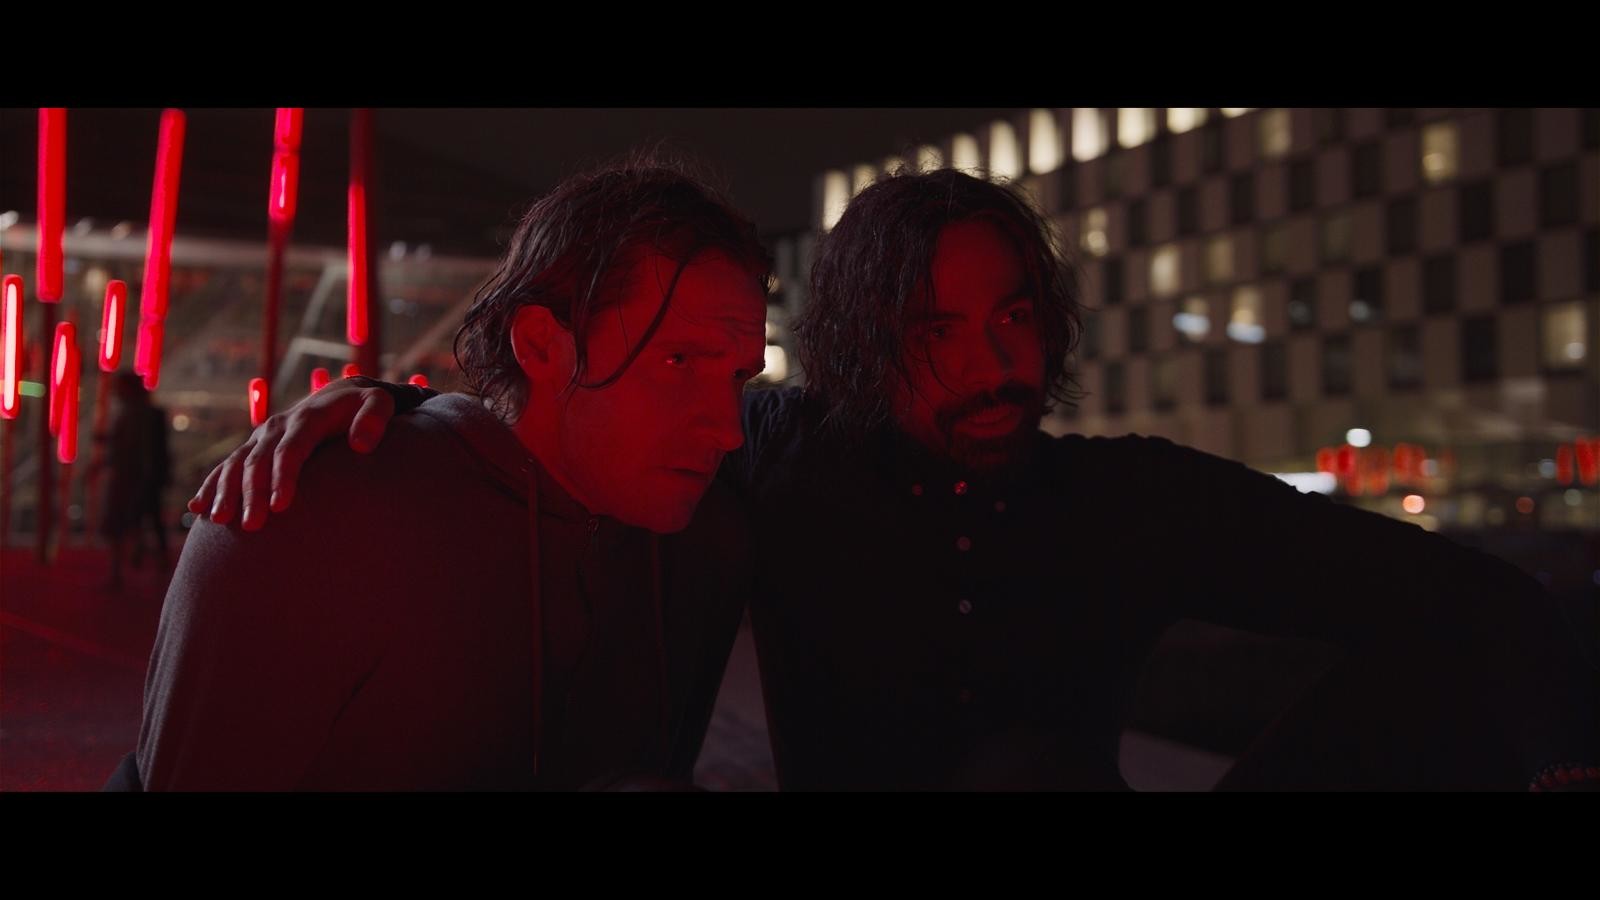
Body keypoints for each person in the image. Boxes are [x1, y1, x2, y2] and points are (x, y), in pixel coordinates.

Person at [194, 169, 1599, 791]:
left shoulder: (1133, 500)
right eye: (936, 332)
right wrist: (379, 405)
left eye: (1014, 318)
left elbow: (1467, 597)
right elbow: (578, 397)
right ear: (865, 343)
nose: (992, 362)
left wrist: (1556, 763)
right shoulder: (781, 453)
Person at [107, 160, 771, 791]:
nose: (727, 428)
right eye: (679, 361)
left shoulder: (708, 540)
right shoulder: (316, 516)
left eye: (738, 374)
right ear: (541, 344)